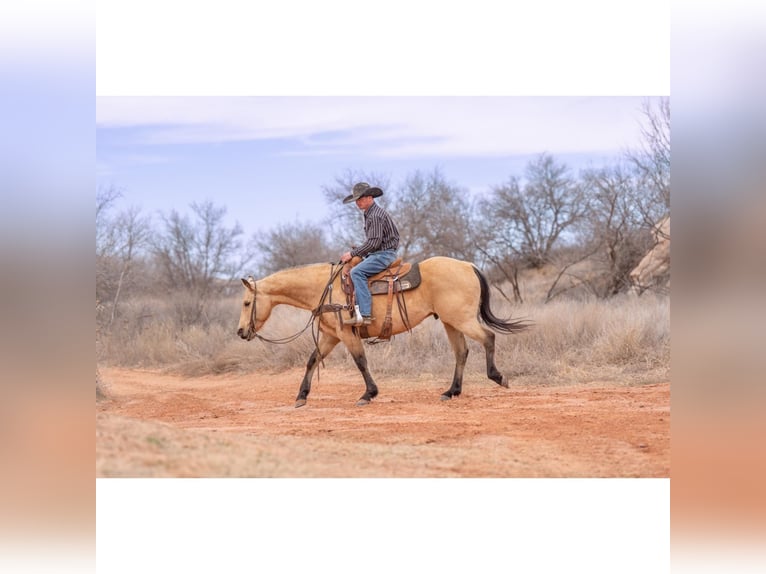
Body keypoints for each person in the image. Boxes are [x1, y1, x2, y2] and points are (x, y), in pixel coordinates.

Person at [339, 182, 400, 326]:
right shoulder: (371, 213)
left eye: (361, 199)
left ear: (370, 197)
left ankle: (364, 315)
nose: (358, 203)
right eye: (356, 200)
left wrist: (352, 253)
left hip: (383, 254)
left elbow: (374, 243)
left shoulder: (375, 216)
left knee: (356, 273)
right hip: (380, 253)